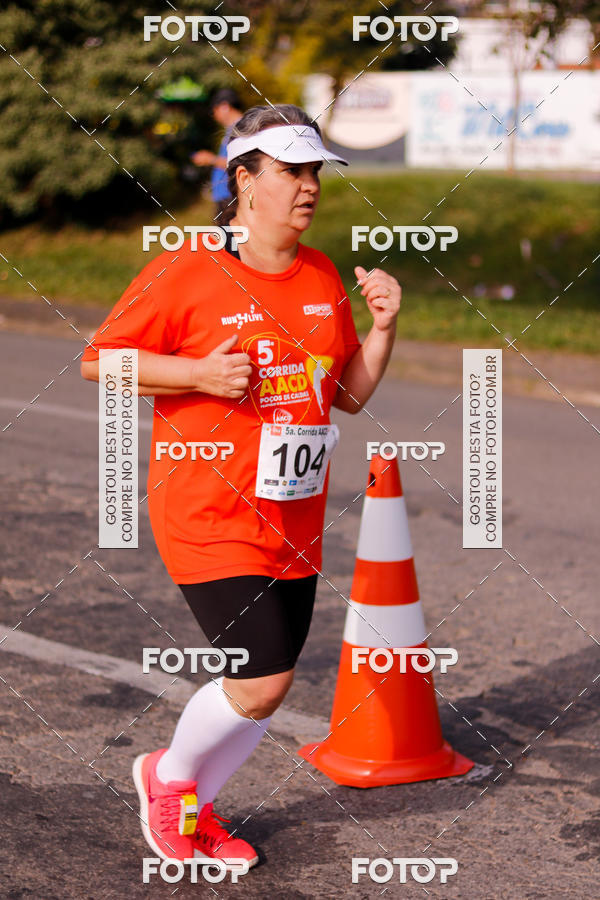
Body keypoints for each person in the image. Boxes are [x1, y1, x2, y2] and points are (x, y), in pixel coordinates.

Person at [80, 103, 401, 870]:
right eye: (291, 170)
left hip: (292, 514)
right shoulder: (187, 267)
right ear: (245, 178)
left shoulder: (322, 273)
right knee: (262, 679)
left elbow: (348, 395)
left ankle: (194, 809)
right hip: (206, 509)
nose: (309, 185)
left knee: (265, 686)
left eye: (315, 170)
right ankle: (168, 781)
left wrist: (384, 329)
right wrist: (194, 373)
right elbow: (100, 362)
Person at [190, 87, 243, 222]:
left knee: (231, 241)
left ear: (225, 106)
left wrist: (210, 159)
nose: (214, 115)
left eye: (215, 110)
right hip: (225, 197)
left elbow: (241, 163)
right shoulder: (232, 129)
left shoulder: (241, 128)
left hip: (230, 197)